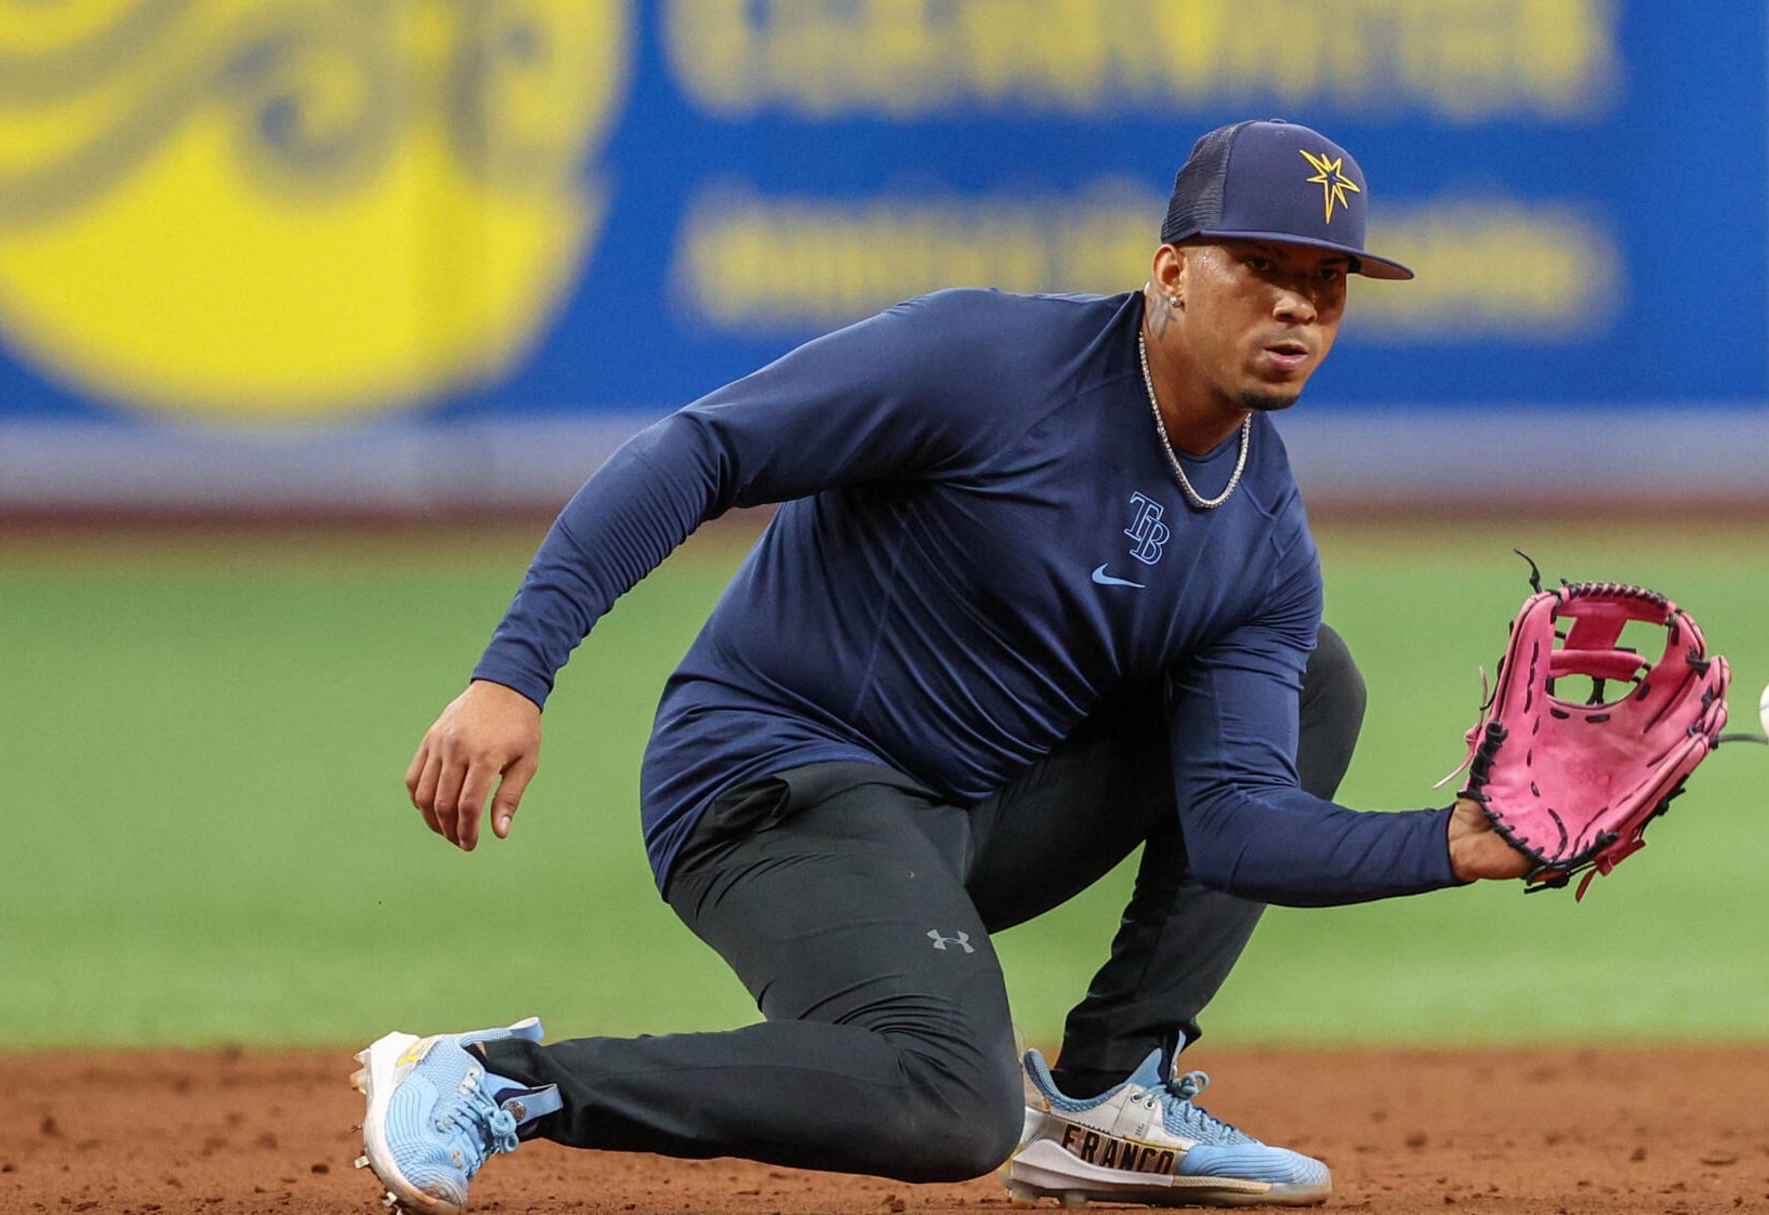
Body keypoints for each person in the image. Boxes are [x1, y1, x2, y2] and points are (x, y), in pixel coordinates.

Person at [354, 119, 1530, 1215]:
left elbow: (1234, 828)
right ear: (1171, 272)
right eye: (1261, 268)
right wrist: (514, 674)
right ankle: (497, 1079)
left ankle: (1107, 1099)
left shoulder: (1263, 539)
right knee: (949, 1102)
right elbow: (700, 452)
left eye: (1326, 282)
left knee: (1318, 680)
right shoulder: (989, 364)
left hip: (967, 820)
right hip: (772, 785)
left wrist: (1455, 845)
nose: (1297, 306)